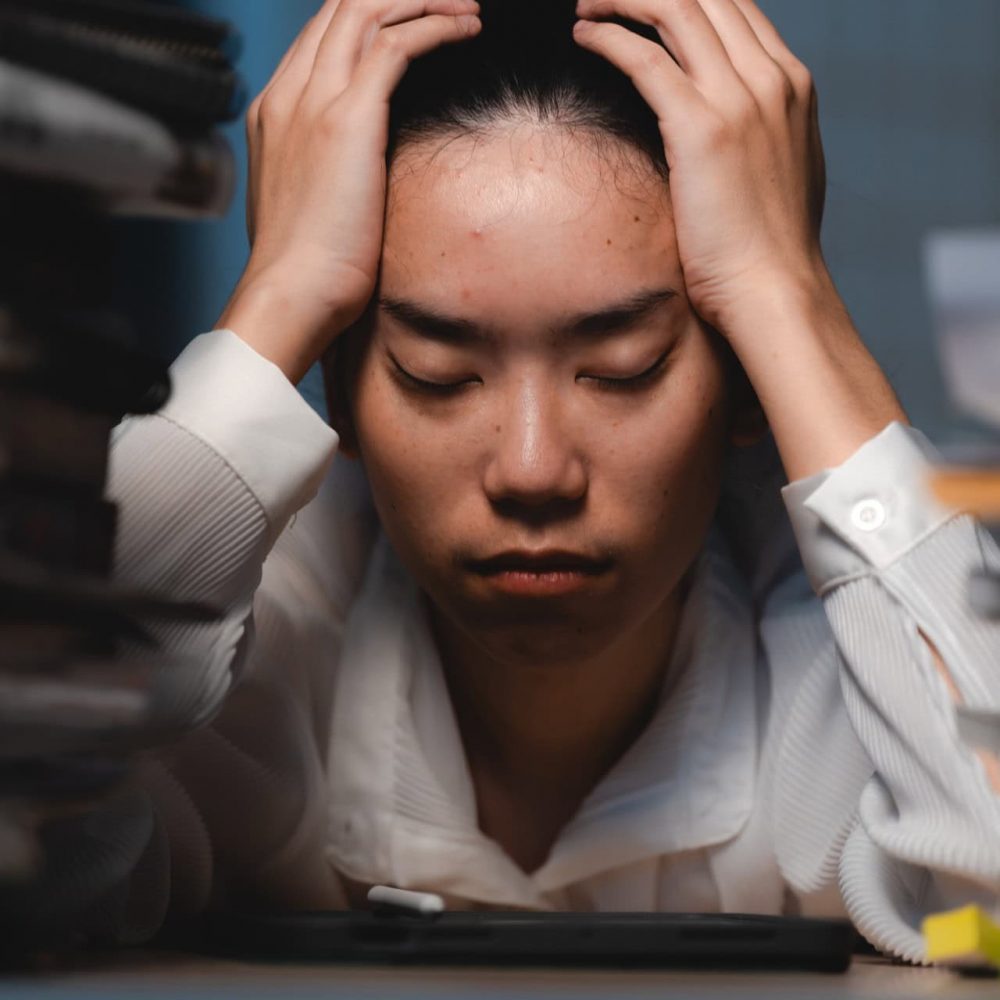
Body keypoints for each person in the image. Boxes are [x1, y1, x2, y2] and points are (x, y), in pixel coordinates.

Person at [83, 0, 1000, 958]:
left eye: (623, 368)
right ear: (337, 388)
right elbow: (30, 843)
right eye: (435, 374)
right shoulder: (259, 627)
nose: (531, 470)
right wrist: (280, 294)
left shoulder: (857, 659)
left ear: (747, 389)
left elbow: (990, 900)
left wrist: (788, 296)